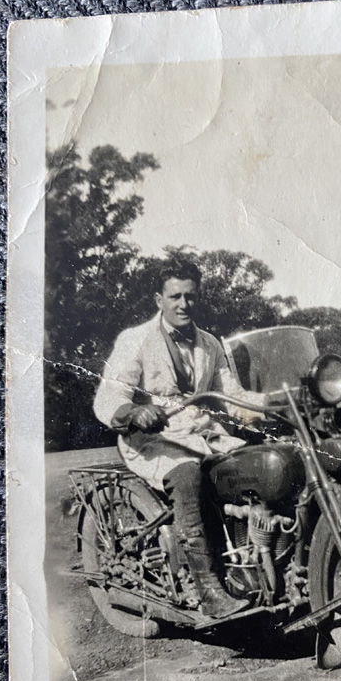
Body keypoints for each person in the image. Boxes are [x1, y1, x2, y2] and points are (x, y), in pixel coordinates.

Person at [94, 260, 266, 619]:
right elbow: (108, 398)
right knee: (187, 475)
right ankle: (209, 592)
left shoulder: (210, 343)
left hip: (203, 436)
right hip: (153, 441)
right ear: (160, 299)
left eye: (190, 296)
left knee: (258, 468)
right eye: (175, 296)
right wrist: (133, 413)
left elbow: (232, 396)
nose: (183, 304)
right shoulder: (136, 340)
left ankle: (249, 566)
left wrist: (276, 402)